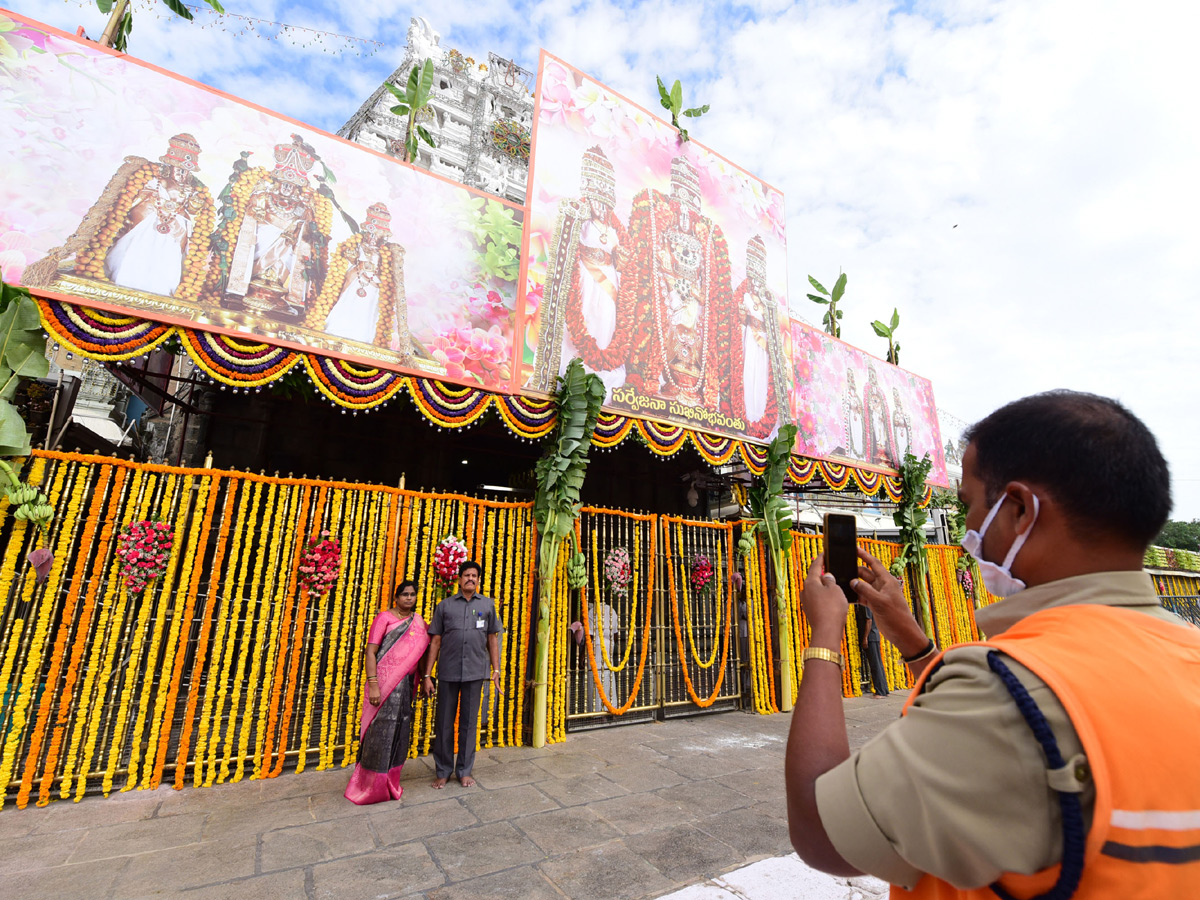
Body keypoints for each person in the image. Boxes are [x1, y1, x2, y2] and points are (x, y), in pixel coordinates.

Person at [785, 390, 1200, 898]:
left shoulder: (1005, 690)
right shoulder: (1187, 653)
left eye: (970, 505)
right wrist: (911, 638)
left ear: (1020, 510)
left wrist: (825, 634)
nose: (969, 529)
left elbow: (822, 832)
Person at [344, 580, 429, 805]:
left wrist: (422, 681)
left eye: (412, 595)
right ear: (396, 597)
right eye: (404, 595)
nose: (409, 598)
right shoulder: (384, 618)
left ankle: (391, 782)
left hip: (406, 685)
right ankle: (370, 786)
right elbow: (370, 652)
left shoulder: (418, 621)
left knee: (400, 732)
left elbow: (421, 653)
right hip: (383, 685)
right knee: (377, 734)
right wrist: (373, 684)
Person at [422, 560, 503, 788]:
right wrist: (427, 675)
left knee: (469, 723)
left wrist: (495, 670)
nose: (471, 579)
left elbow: (492, 639)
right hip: (447, 672)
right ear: (459, 579)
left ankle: (465, 770)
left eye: (474, 576)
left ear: (478, 580)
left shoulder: (487, 605)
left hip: (475, 673)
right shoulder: (445, 606)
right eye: (467, 575)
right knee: (445, 723)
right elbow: (435, 640)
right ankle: (444, 770)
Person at [854, 603, 888, 698]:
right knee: (878, 664)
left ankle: (880, 692)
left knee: (875, 665)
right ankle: (884, 690)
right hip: (874, 635)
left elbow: (869, 620)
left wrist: (865, 638)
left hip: (870, 637)